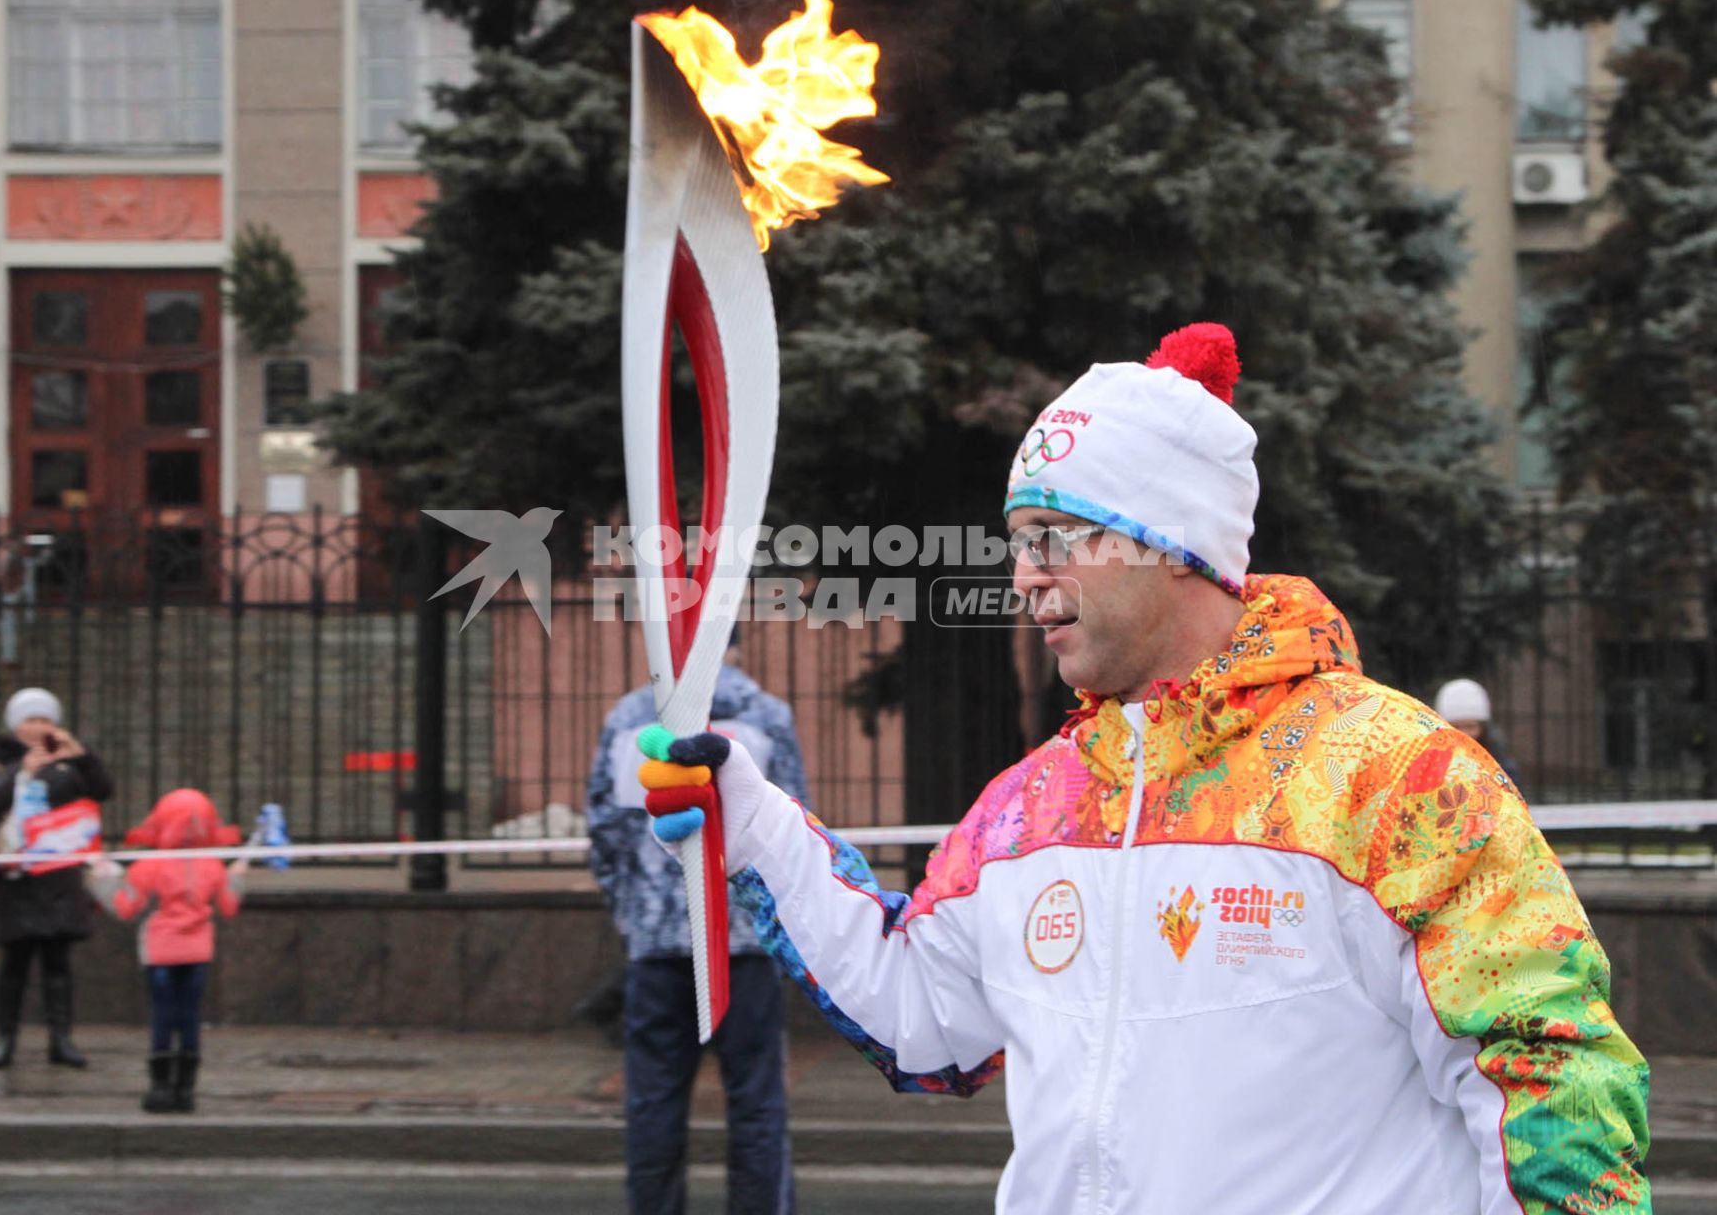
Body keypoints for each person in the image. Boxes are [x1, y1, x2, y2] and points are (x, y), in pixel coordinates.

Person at [639, 324, 1651, 1213]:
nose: (1026, 573)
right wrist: (750, 814)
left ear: (1171, 544)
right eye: (1017, 543)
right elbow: (921, 1021)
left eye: (1056, 536)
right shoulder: (1034, 804)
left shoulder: (1398, 779)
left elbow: (1546, 1068)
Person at [586, 640, 809, 1215]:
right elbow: (792, 828)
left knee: (653, 1102)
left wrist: (633, 912)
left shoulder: (629, 720)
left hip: (655, 947)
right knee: (757, 1102)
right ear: (731, 646)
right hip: (745, 945)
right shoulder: (765, 717)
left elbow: (604, 831)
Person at [0, 686, 114, 1070]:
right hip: (17, 877)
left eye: (45, 720)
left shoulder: (66, 763)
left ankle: (61, 1039)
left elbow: (102, 790)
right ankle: (5, 1039)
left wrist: (80, 756)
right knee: (14, 963)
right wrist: (22, 770)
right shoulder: (1, 762)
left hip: (58, 878)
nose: (38, 727)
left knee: (58, 962)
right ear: (17, 726)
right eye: (30, 720)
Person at [88, 788, 249, 1113]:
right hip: (198, 953)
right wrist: (238, 878)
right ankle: (186, 1090)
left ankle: (160, 1089)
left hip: (160, 953)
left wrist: (100, 880)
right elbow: (229, 907)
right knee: (189, 1017)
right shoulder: (212, 866)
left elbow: (125, 907)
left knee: (163, 1016)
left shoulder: (151, 866)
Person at [1436, 676, 1524, 786]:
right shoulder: (1431, 763)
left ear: (1483, 728)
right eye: (1456, 727)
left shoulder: (1502, 767)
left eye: (1470, 727)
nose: (1464, 734)